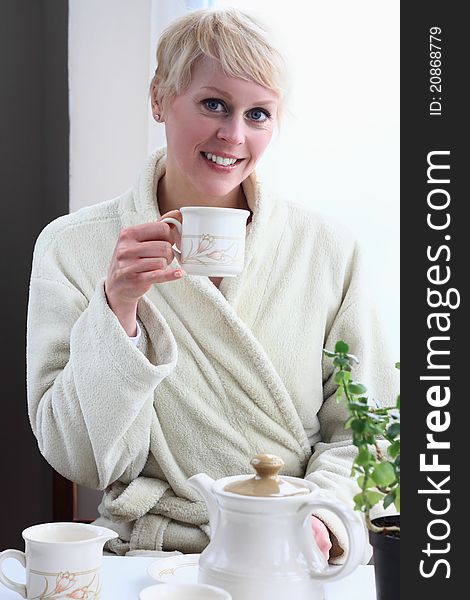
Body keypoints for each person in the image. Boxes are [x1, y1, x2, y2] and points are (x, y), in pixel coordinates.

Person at [26, 8, 396, 563]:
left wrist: (322, 517)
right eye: (214, 104)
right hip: (154, 556)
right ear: (159, 98)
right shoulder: (72, 246)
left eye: (260, 114)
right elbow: (78, 459)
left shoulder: (328, 251)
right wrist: (117, 309)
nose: (233, 135)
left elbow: (368, 433)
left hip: (291, 551)